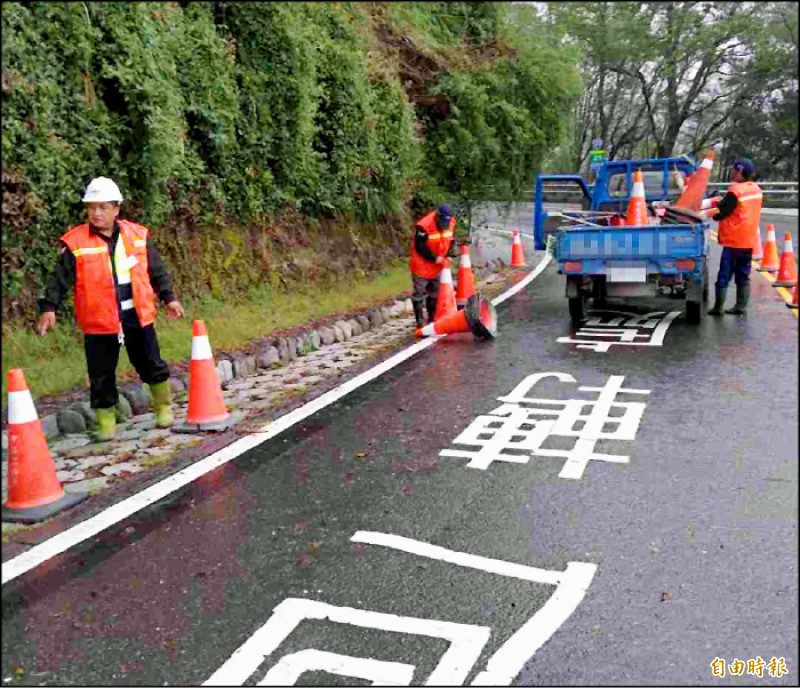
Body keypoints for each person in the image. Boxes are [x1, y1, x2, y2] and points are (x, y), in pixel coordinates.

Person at [36, 177, 186, 440]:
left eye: (102, 207)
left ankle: (163, 407)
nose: (96, 213)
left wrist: (169, 297)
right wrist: (49, 307)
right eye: (92, 207)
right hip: (99, 322)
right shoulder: (76, 242)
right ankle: (106, 424)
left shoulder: (137, 235)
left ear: (116, 209)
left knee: (152, 363)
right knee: (101, 375)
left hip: (137, 316)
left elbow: (156, 269)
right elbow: (59, 279)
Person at [703, 158, 763, 316]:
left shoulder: (735, 191)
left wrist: (707, 213)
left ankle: (718, 308)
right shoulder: (756, 189)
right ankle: (741, 306)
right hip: (748, 240)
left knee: (724, 275)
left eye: (734, 170)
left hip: (734, 241)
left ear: (740, 171)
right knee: (743, 274)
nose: (732, 173)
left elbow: (722, 212)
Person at [409, 204, 457, 328]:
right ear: (437, 216)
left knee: (435, 292)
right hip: (422, 264)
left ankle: (432, 318)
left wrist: (450, 254)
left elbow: (451, 240)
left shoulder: (451, 222)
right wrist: (434, 258)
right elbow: (420, 247)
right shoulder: (424, 226)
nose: (444, 225)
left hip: (437, 265)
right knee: (419, 292)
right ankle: (419, 321)